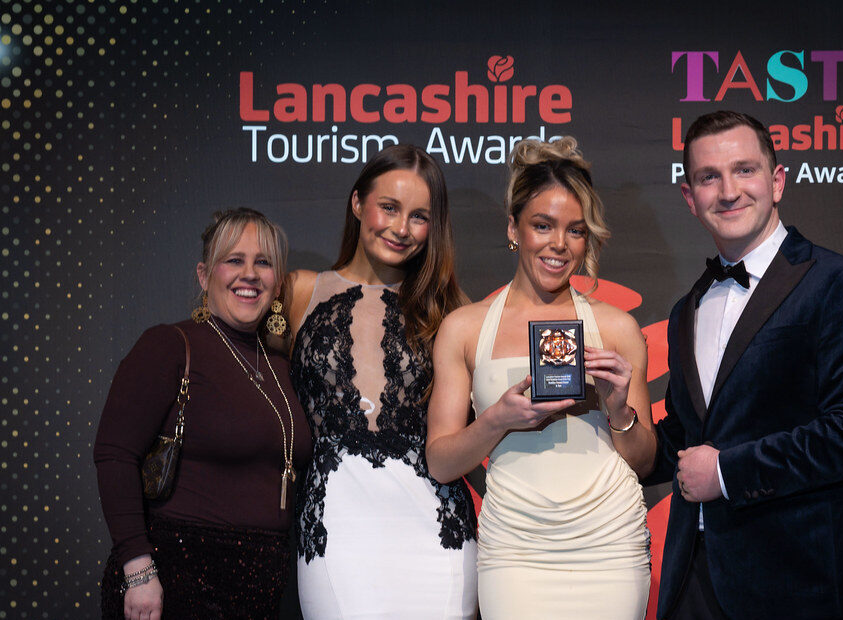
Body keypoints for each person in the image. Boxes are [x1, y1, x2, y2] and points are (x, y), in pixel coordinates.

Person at [649, 110, 843, 619]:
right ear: (689, 197)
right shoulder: (686, 310)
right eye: (709, 177)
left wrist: (727, 472)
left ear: (777, 181)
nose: (728, 191)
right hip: (692, 584)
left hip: (798, 589)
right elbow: (682, 440)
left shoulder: (841, 283)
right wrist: (616, 419)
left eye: (745, 170)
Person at [427, 137, 656, 619]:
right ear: (514, 228)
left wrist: (619, 411)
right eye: (542, 225)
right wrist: (498, 420)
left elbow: (642, 461)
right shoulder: (464, 328)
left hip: (609, 546)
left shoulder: (617, 328)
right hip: (514, 551)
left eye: (575, 230)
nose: (559, 244)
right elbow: (441, 462)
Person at [287, 144, 478, 619]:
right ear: (357, 203)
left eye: (419, 216)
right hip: (335, 533)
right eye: (389, 207)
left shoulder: (453, 311)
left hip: (437, 534)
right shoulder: (298, 293)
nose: (401, 228)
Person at [94, 208, 314, 619]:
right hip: (176, 578)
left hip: (263, 585)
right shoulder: (170, 346)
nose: (249, 274)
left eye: (263, 262)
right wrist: (138, 571)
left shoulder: (284, 367)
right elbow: (114, 455)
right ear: (204, 275)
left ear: (278, 283)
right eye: (234, 260)